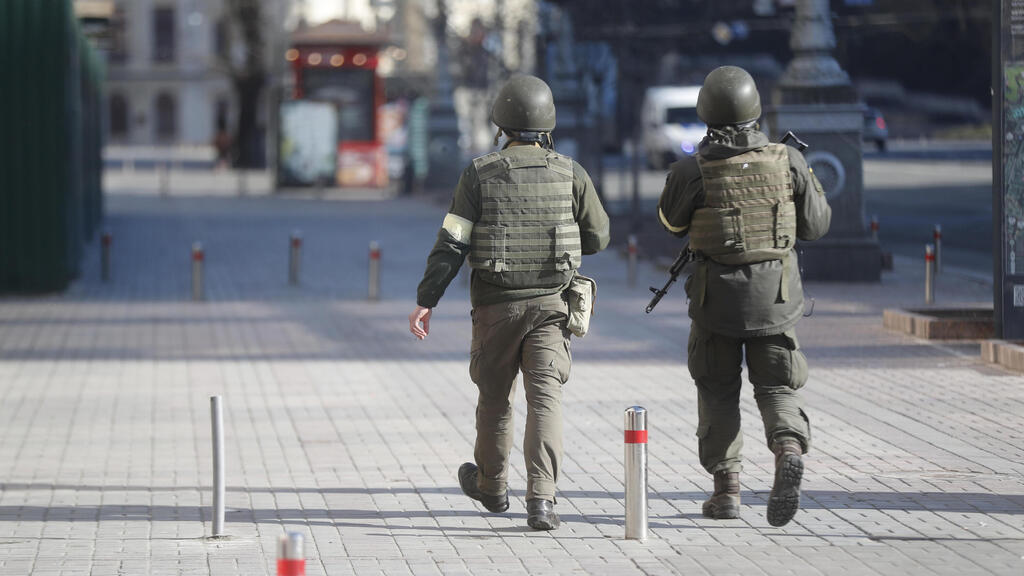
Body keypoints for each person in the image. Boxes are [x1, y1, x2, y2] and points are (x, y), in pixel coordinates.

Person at [408, 74, 610, 530]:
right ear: (547, 123)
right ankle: (542, 500)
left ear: (501, 125)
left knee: (496, 401)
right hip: (552, 307)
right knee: (545, 401)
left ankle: (492, 487)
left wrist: (427, 299)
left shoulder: (478, 174)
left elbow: (453, 242)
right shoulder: (572, 172)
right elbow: (599, 237)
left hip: (496, 309)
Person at [657, 66, 831, 527]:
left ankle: (727, 493)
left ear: (706, 113)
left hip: (715, 304)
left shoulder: (692, 169)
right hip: (776, 300)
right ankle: (788, 448)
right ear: (756, 109)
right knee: (775, 386)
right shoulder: (788, 161)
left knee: (717, 390)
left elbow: (671, 223)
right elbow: (816, 225)